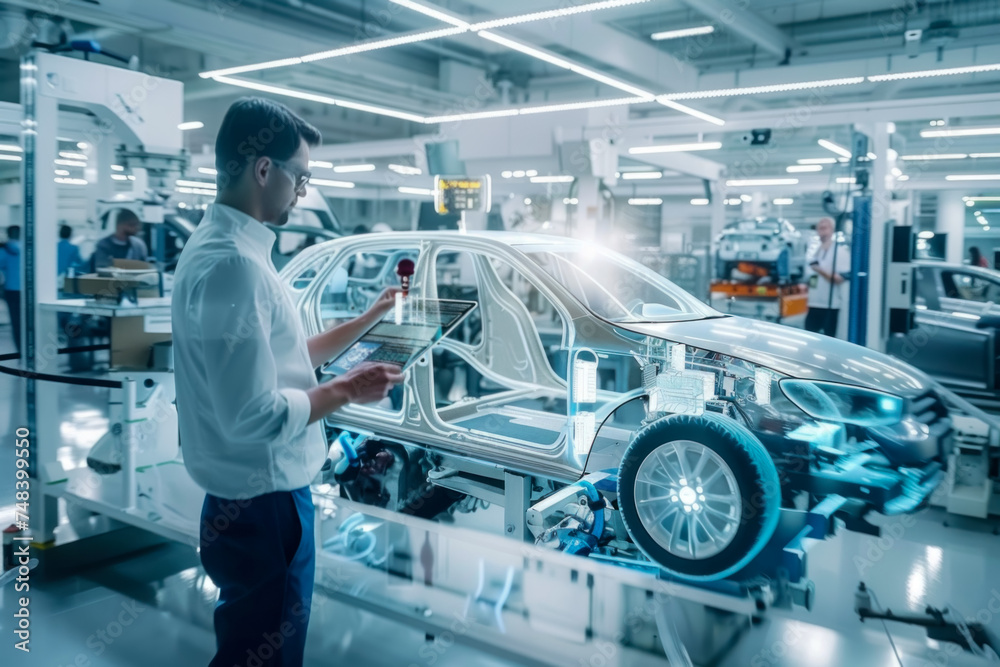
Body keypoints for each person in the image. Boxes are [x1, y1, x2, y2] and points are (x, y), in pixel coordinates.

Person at [172, 97, 403, 667]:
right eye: (300, 177)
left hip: (248, 502)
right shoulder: (235, 267)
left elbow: (284, 356)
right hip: (264, 506)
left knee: (251, 642)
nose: (302, 191)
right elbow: (252, 414)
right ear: (263, 170)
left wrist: (369, 317)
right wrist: (346, 390)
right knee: (265, 654)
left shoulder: (225, 250)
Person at [805, 217, 851, 337]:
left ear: (832, 230)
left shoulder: (840, 252)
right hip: (814, 303)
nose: (822, 231)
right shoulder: (816, 251)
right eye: (819, 228)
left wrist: (819, 270)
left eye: (825, 228)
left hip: (830, 306)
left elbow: (839, 278)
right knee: (810, 338)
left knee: (828, 340)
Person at [0, 226, 21, 353]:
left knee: (16, 321)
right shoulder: (29, 248)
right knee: (32, 320)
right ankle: (32, 349)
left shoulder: (4, 250)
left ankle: (21, 351)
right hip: (29, 290)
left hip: (12, 289)